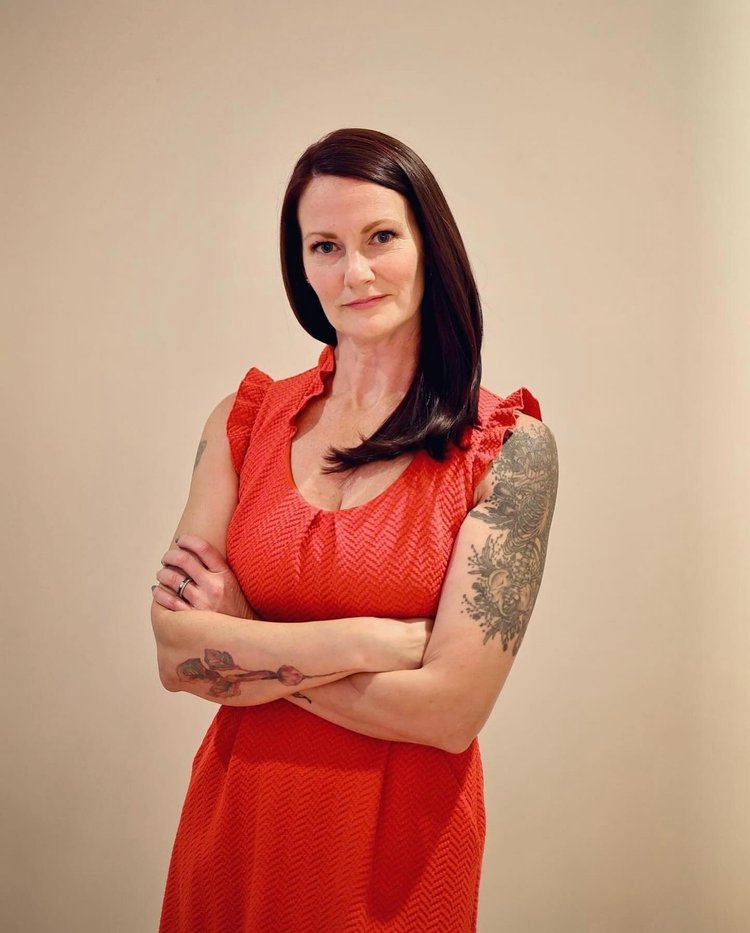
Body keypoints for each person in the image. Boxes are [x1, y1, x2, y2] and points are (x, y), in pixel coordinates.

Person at [151, 127, 559, 933]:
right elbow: (176, 654)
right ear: (301, 266)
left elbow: (449, 712)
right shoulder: (243, 421)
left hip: (397, 859)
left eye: (380, 238)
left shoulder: (507, 450)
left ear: (428, 245)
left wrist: (245, 634)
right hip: (238, 829)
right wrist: (373, 641)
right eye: (326, 247)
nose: (356, 272)